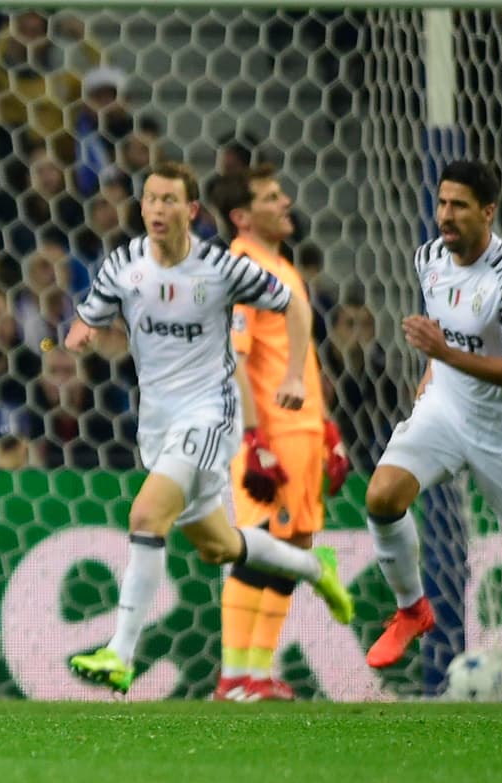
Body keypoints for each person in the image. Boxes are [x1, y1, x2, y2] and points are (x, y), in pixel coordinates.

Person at [65, 162, 353, 695]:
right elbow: (89, 317)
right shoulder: (124, 264)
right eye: (151, 199)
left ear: (191, 210)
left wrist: (294, 376)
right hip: (158, 423)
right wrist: (80, 334)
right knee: (221, 546)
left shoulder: (222, 267)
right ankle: (314, 568)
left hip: (211, 416)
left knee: (146, 516)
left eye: (169, 199)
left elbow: (292, 305)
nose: (158, 209)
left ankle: (120, 654)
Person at [363, 160, 502, 715]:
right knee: (382, 497)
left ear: (488, 212)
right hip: (444, 411)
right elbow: (447, 326)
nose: (445, 216)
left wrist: (445, 355)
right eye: (441, 203)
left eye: (458, 206)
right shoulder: (429, 258)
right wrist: (433, 373)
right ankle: (412, 609)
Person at [208, 165, 351, 702]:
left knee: (291, 546)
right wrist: (252, 439)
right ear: (242, 217)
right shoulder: (242, 269)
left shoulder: (280, 266)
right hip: (269, 432)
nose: (285, 202)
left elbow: (295, 356)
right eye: (270, 197)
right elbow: (235, 360)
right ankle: (233, 675)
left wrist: (326, 427)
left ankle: (257, 674)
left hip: (301, 428)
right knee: (262, 546)